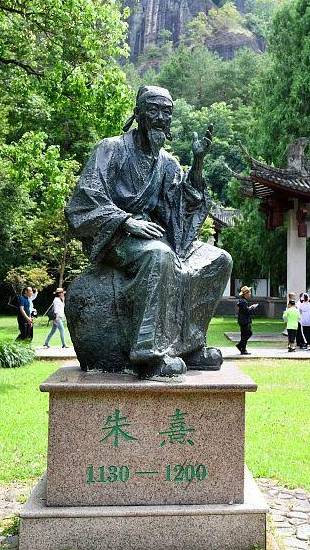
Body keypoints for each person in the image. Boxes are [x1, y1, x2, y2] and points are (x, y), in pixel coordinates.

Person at [63, 85, 231, 379]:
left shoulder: (168, 163)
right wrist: (126, 221)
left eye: (166, 113)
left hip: (156, 235)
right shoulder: (111, 149)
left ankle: (189, 345)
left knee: (219, 260)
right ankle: (150, 354)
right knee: (159, 256)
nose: (160, 118)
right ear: (138, 114)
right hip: (117, 236)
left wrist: (198, 162)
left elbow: (183, 206)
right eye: (153, 111)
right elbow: (86, 197)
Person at [235, 286, 258, 355]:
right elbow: (246, 311)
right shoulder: (243, 301)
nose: (250, 294)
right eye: (249, 292)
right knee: (247, 334)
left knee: (244, 335)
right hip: (244, 321)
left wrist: (250, 307)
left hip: (244, 320)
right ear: (245, 293)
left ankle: (243, 349)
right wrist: (252, 307)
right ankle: (241, 346)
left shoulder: (243, 301)